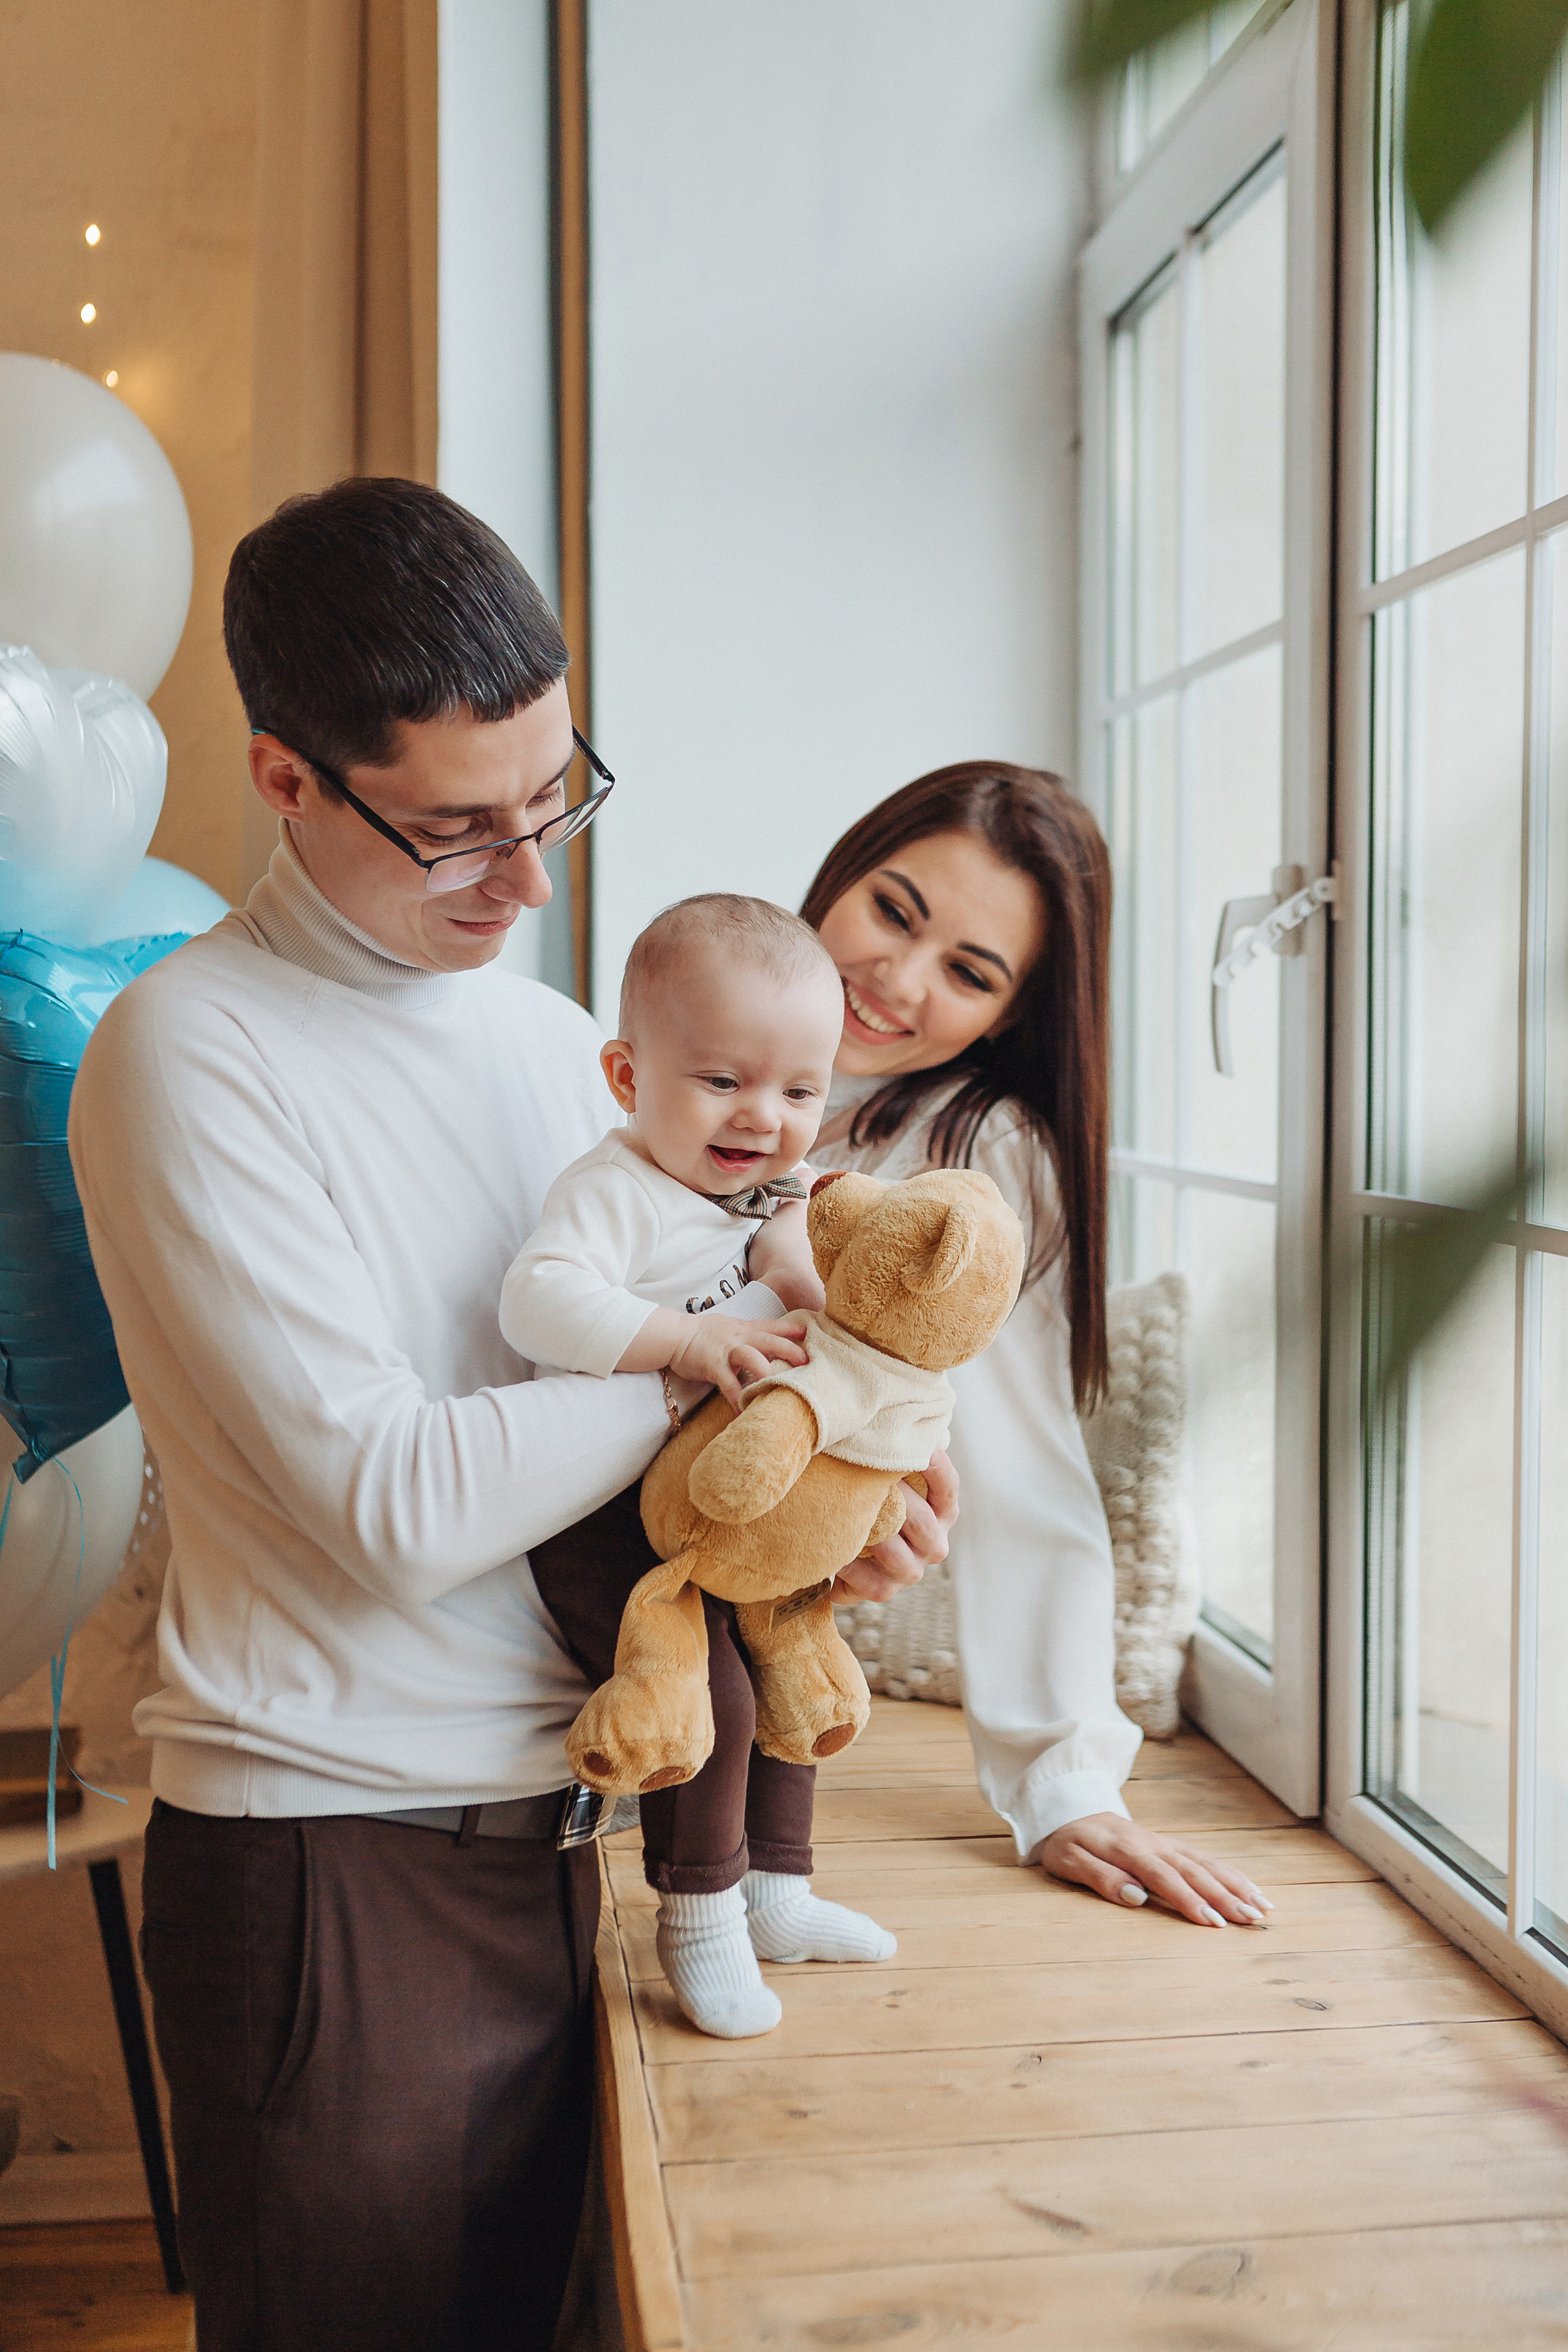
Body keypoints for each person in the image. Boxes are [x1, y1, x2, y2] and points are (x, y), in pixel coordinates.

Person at [66, 477, 954, 2352]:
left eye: (556, 797)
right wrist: (737, 1368)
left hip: (577, 1830)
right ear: (287, 779)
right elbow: (399, 1504)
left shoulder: (565, 1046)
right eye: (461, 828)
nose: (530, 879)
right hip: (333, 1866)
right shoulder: (187, 1055)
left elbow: (632, 1433)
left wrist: (813, 1492)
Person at [799, 763, 1273, 1930]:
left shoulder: (976, 1157)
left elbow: (1021, 1473)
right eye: (893, 911)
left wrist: (1064, 1782)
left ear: (1011, 1015)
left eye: (969, 972)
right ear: (841, 874)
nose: (897, 980)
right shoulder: (703, 1045)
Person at [508, 893, 899, 2041]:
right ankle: (700, 1915)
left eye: (800, 1092)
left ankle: (778, 1888)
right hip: (598, 1513)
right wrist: (687, 1341)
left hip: (721, 1499)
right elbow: (537, 1301)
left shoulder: (769, 1198)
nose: (762, 1117)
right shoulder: (616, 1190)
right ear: (628, 1077)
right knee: (711, 1694)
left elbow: (806, 1292)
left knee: (786, 1667)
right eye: (722, 1080)